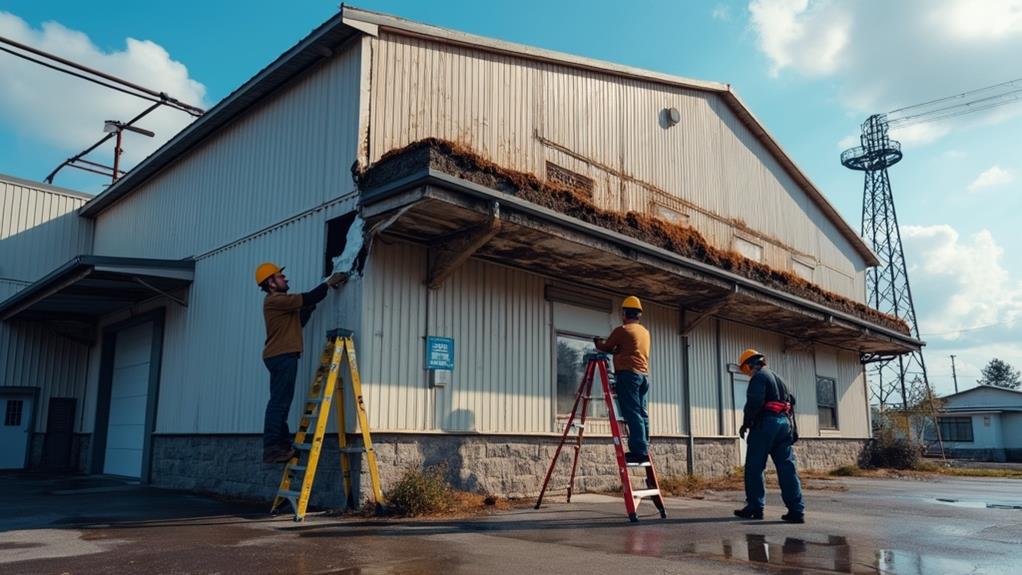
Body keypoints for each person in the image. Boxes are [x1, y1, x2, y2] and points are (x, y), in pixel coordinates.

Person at [255, 262, 348, 463]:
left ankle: (282, 444)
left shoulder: (281, 305)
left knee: (281, 401)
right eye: (280, 277)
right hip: (282, 355)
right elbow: (308, 297)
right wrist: (328, 283)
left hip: (281, 355)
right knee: (279, 402)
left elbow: (299, 323)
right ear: (271, 283)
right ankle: (272, 447)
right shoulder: (275, 300)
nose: (285, 279)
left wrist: (309, 307)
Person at [734, 349, 805, 523]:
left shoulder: (759, 377)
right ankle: (796, 510)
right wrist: (794, 429)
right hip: (784, 425)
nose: (747, 374)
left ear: (750, 365)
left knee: (754, 467)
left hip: (766, 425)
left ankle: (755, 507)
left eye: (745, 370)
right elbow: (791, 404)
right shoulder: (780, 379)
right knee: (787, 468)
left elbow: (754, 402)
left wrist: (746, 423)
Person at [594, 296, 651, 464]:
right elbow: (627, 350)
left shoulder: (623, 330)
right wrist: (618, 351)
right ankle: (644, 447)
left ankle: (638, 452)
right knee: (642, 413)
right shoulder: (644, 332)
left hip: (629, 376)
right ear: (639, 314)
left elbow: (606, 347)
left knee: (632, 413)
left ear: (625, 313)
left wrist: (598, 342)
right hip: (643, 376)